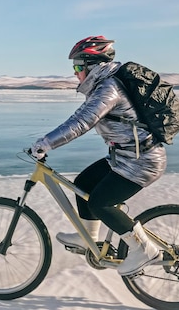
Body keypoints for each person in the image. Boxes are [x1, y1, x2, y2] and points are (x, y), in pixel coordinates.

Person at [31, 36, 167, 276]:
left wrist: (46, 143)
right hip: (125, 157)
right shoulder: (104, 85)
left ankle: (144, 250)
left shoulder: (109, 89)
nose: (75, 73)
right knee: (84, 183)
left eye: (76, 67)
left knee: (99, 202)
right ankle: (89, 237)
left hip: (141, 161)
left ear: (90, 65)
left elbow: (82, 121)